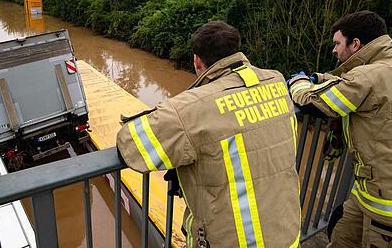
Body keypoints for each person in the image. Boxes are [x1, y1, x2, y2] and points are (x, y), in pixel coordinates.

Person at [117, 21, 301, 247]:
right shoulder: (277, 81)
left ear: (196, 60)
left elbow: (130, 145)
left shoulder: (190, 108)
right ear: (236, 51)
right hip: (288, 235)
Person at [288, 11, 392, 247]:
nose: (334, 50)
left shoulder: (369, 76)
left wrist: (298, 83)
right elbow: (357, 86)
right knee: (341, 235)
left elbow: (316, 103)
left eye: (337, 43)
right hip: (387, 188)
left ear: (356, 44)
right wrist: (321, 78)